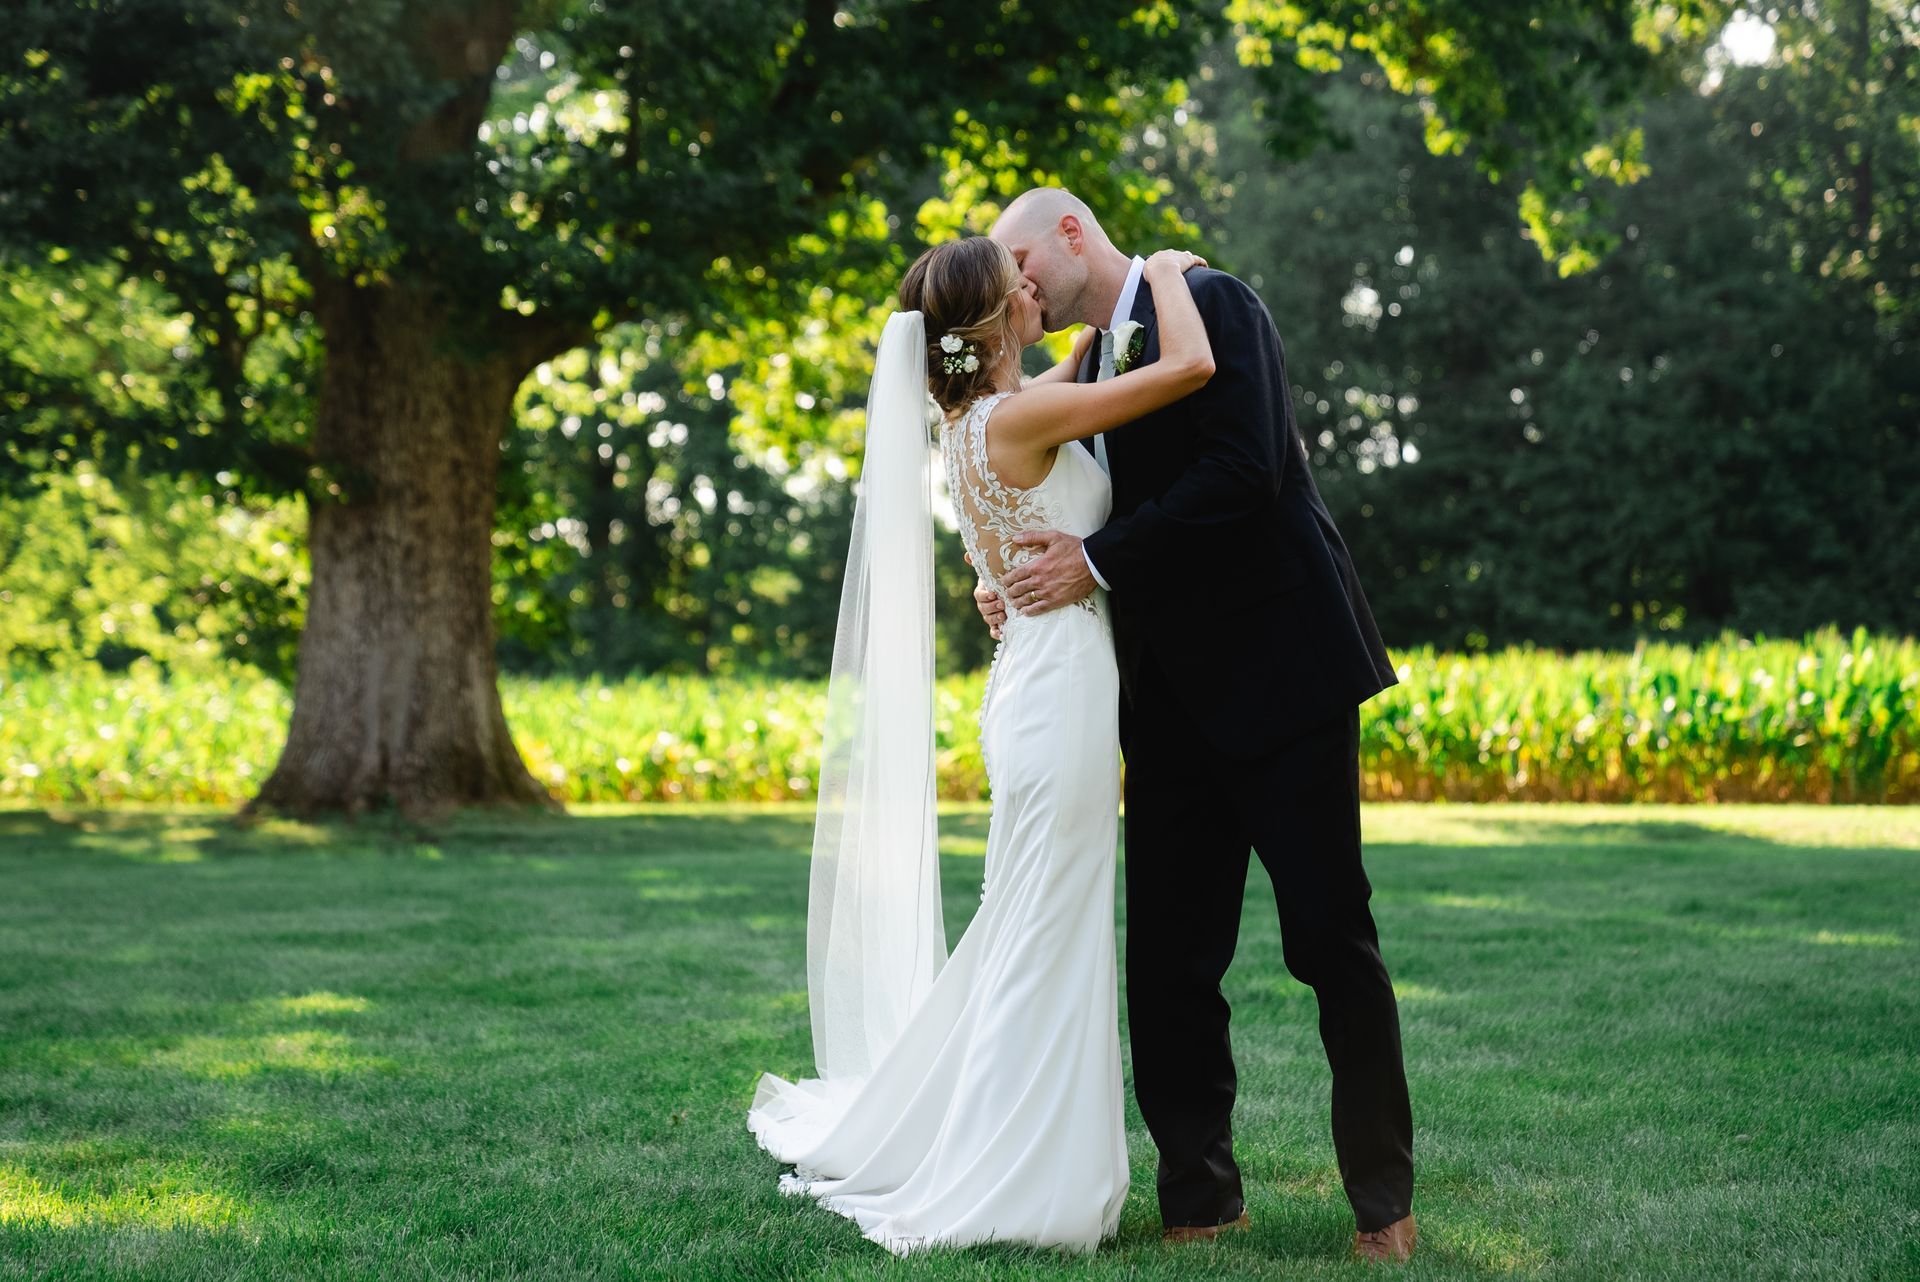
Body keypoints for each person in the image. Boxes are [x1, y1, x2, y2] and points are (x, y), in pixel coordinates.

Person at [746, 231, 1214, 1254]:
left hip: (1034, 686)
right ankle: (1012, 1173)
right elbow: (1188, 368)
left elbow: (1066, 376)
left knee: (1031, 923)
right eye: (1018, 284)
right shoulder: (1020, 416)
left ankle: (1007, 1145)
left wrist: (1085, 339)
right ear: (996, 319)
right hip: (1061, 691)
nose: (1035, 286)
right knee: (1046, 931)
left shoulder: (970, 425)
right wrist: (1165, 274)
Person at [976, 186, 1417, 1262]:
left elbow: (1243, 471)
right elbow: (1048, 498)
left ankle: (1384, 1206)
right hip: (1162, 703)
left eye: (1022, 264)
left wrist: (1095, 563)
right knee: (1171, 964)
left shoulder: (1213, 301)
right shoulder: (1080, 368)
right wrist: (1014, 579)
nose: (1016, 288)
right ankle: (1201, 1202)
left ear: (1072, 233)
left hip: (1284, 679)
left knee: (1332, 944)